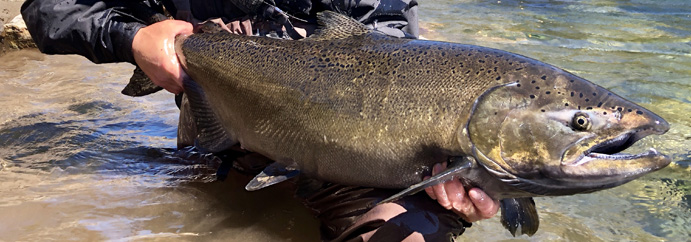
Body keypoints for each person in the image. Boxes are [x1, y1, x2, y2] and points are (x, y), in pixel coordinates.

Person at [21, 1, 499, 241]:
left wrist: (444, 164)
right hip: (215, 150)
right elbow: (50, 10)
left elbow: (396, 48)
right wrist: (134, 38)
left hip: (351, 166)